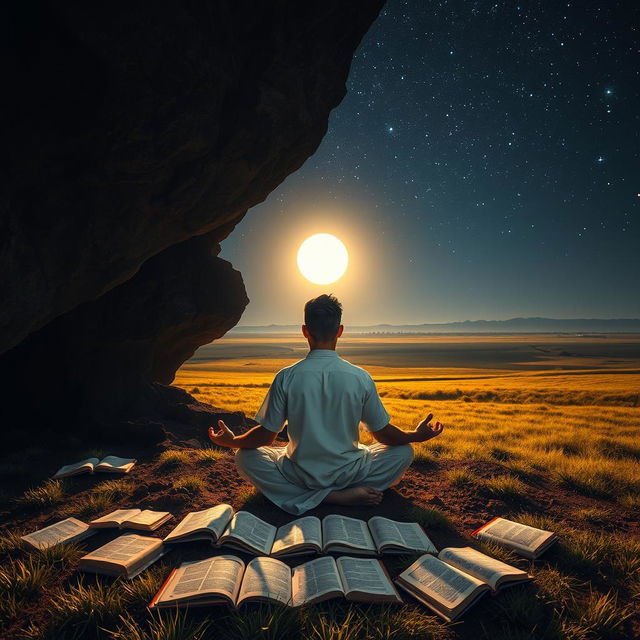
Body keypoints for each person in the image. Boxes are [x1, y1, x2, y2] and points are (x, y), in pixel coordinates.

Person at [208, 294, 444, 515]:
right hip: (351, 472)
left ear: (304, 331)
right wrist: (415, 436)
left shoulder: (287, 376)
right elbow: (383, 435)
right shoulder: (360, 377)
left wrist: (234, 441)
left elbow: (266, 436)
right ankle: (336, 495)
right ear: (340, 331)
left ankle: (318, 496)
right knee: (403, 451)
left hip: (300, 474)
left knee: (245, 457)